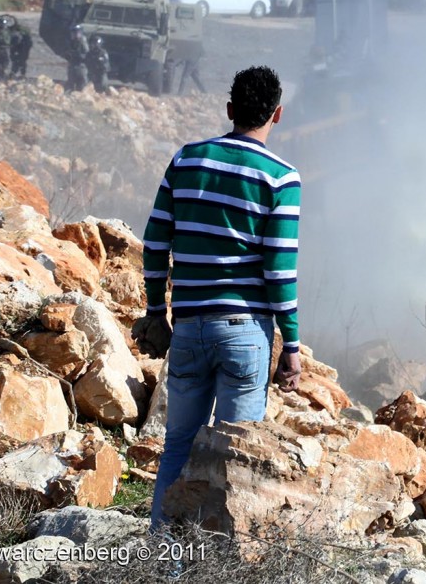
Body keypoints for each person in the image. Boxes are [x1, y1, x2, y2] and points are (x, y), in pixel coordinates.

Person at [136, 65, 302, 530]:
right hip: (246, 333)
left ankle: (161, 559)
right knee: (234, 459)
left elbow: (154, 243)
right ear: (278, 114)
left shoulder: (187, 160)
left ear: (229, 110)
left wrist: (156, 312)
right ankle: (219, 568)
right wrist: (290, 345)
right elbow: (279, 269)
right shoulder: (282, 178)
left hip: (188, 328)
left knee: (178, 447)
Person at [66, 24, 89, 92]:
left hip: (80, 67)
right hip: (72, 66)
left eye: (76, 32)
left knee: (81, 87)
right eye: (73, 32)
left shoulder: (82, 42)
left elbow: (87, 54)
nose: (74, 34)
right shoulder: (72, 42)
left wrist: (77, 55)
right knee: (71, 86)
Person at [0, 18, 12, 82]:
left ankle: (2, 77)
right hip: (4, 49)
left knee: (0, 64)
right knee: (1, 64)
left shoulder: (0, 32)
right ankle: (2, 77)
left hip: (2, 49)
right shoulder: (7, 31)